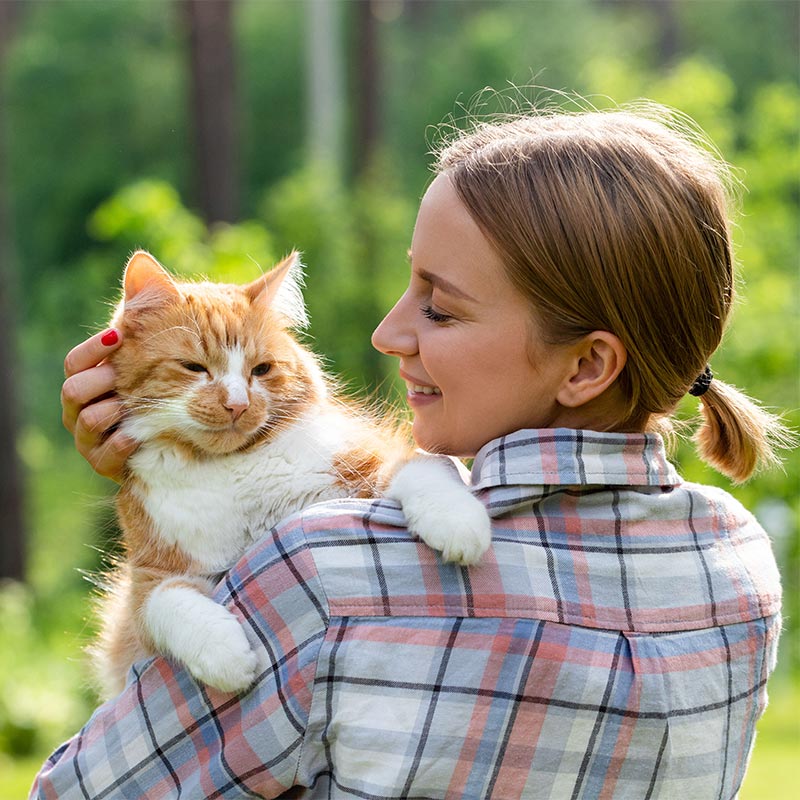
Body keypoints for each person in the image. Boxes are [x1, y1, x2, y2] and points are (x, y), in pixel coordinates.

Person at [33, 103, 785, 799]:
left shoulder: (327, 577)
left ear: (586, 366)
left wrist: (164, 482)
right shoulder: (738, 562)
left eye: (439, 306)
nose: (386, 334)